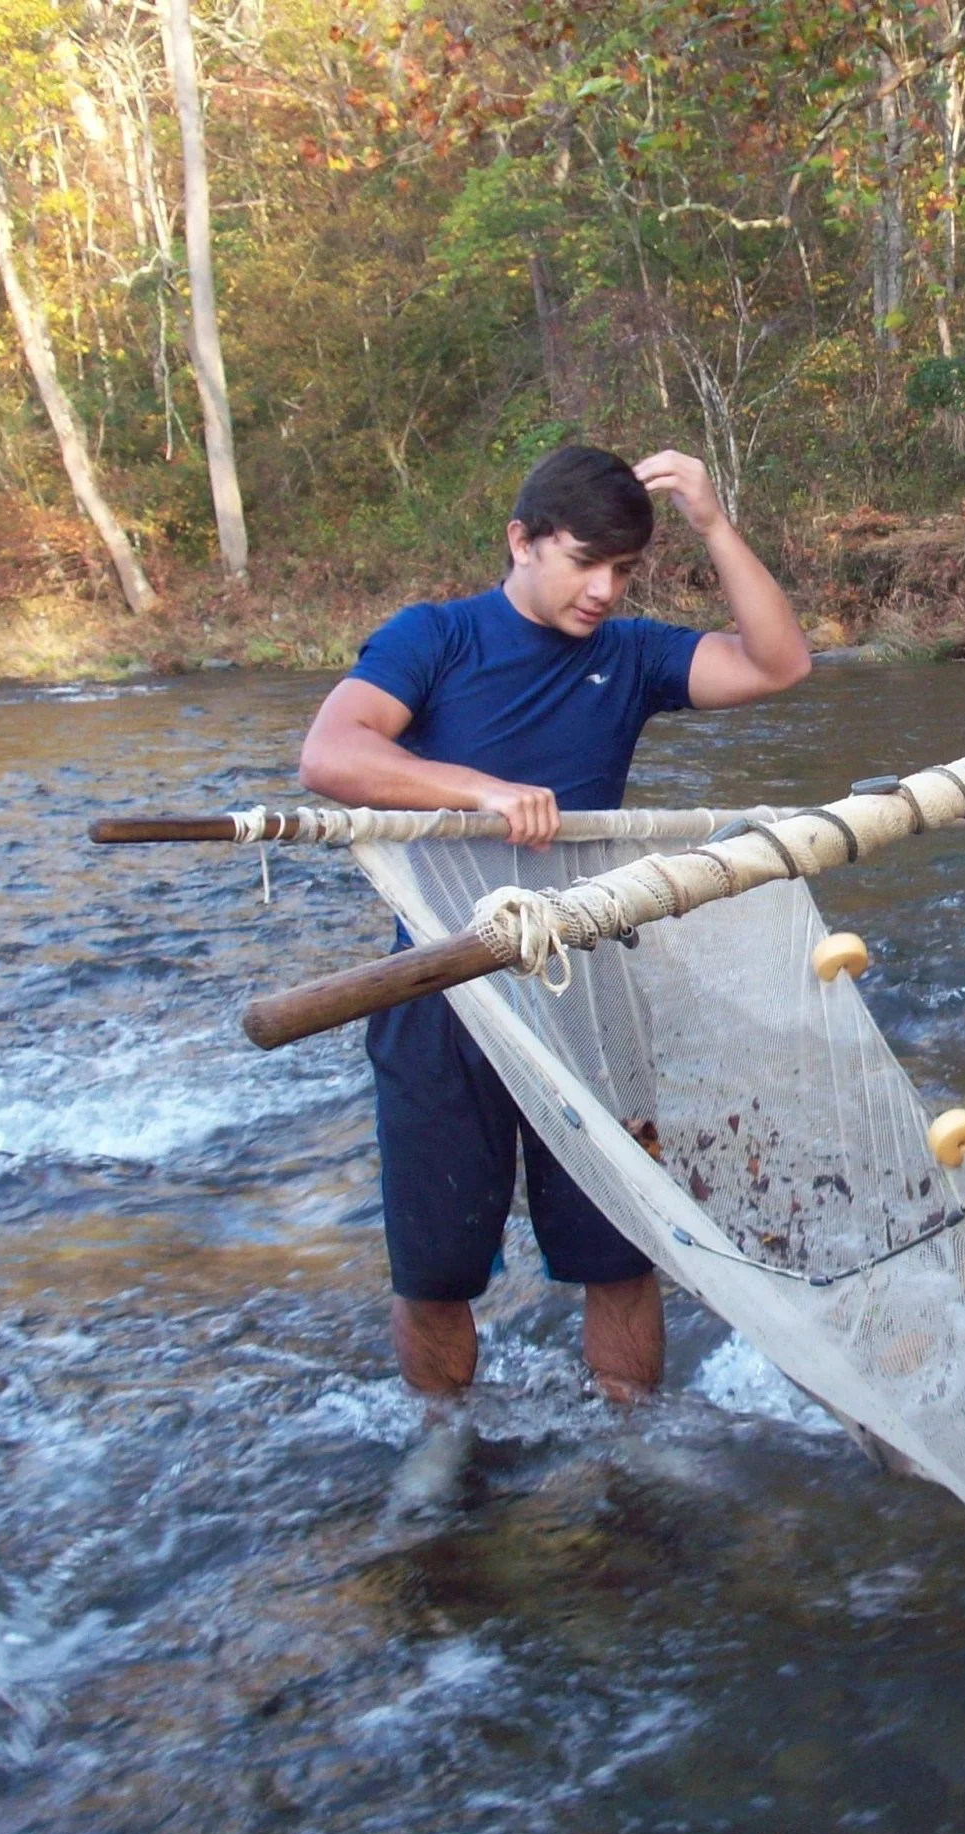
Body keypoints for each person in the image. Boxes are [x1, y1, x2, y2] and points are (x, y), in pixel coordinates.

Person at [299, 445, 811, 1406]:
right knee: (435, 1269)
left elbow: (781, 663)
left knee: (618, 1256)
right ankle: (444, 1448)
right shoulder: (434, 637)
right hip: (441, 986)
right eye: (584, 561)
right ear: (521, 542)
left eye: (623, 570)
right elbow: (329, 755)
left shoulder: (632, 654)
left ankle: (631, 1448)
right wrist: (481, 792)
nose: (605, 590)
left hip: (591, 992)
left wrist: (712, 520)